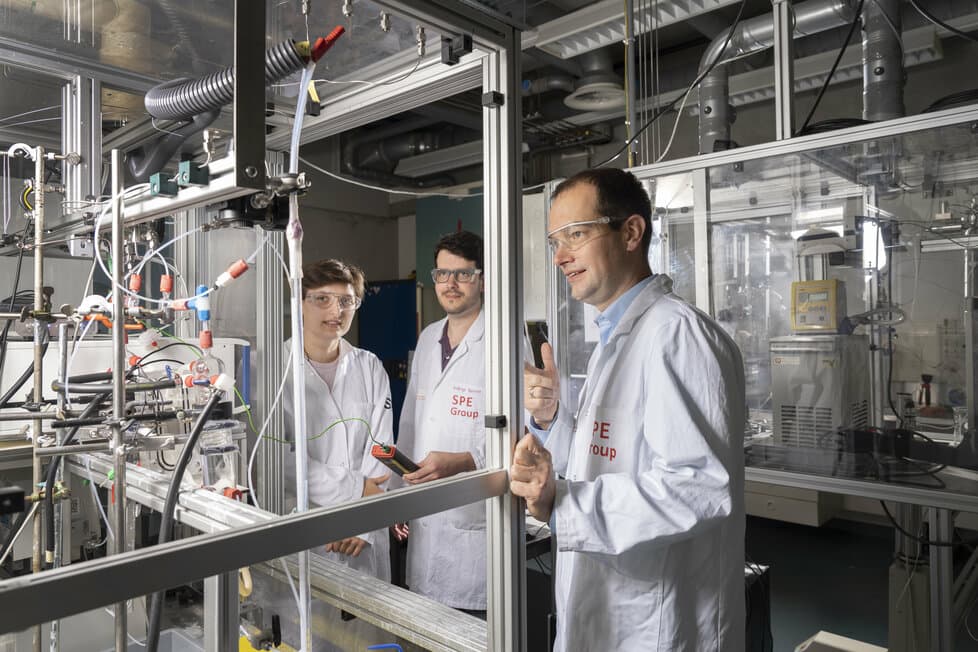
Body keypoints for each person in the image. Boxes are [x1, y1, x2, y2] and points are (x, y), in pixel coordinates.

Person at [511, 168, 746, 651]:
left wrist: (564, 504)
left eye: (576, 234)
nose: (560, 256)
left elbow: (696, 488)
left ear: (632, 232)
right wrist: (554, 419)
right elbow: (611, 453)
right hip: (614, 606)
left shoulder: (675, 334)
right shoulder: (618, 335)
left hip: (661, 621)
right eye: (555, 240)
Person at [395, 231, 488, 614]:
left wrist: (466, 461)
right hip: (423, 522)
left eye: (462, 274)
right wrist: (398, 496)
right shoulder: (430, 337)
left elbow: (528, 432)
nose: (450, 284)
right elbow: (411, 425)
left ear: (483, 278)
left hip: (475, 527)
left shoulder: (505, 339)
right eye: (442, 274)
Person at [284, 258, 392, 581]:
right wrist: (358, 490)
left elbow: (382, 450)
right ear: (300, 303)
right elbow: (281, 463)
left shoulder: (370, 367)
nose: (336, 312)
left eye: (346, 301)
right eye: (322, 299)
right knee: (301, 630)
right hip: (309, 536)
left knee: (373, 631)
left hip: (365, 538)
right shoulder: (274, 368)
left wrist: (364, 523)